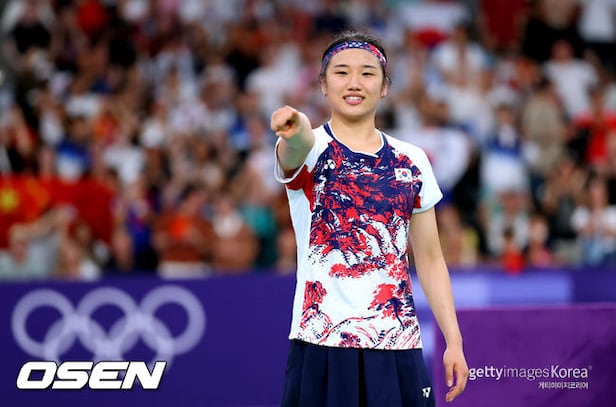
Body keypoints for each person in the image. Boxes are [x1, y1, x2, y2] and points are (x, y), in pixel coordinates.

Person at [271, 30, 468, 406]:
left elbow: (429, 258)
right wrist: (294, 128)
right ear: (323, 85)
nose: (354, 82)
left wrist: (453, 340)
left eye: (367, 73)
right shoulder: (312, 149)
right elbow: (294, 146)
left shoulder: (413, 160)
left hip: (397, 342)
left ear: (385, 87)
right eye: (341, 72)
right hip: (322, 342)